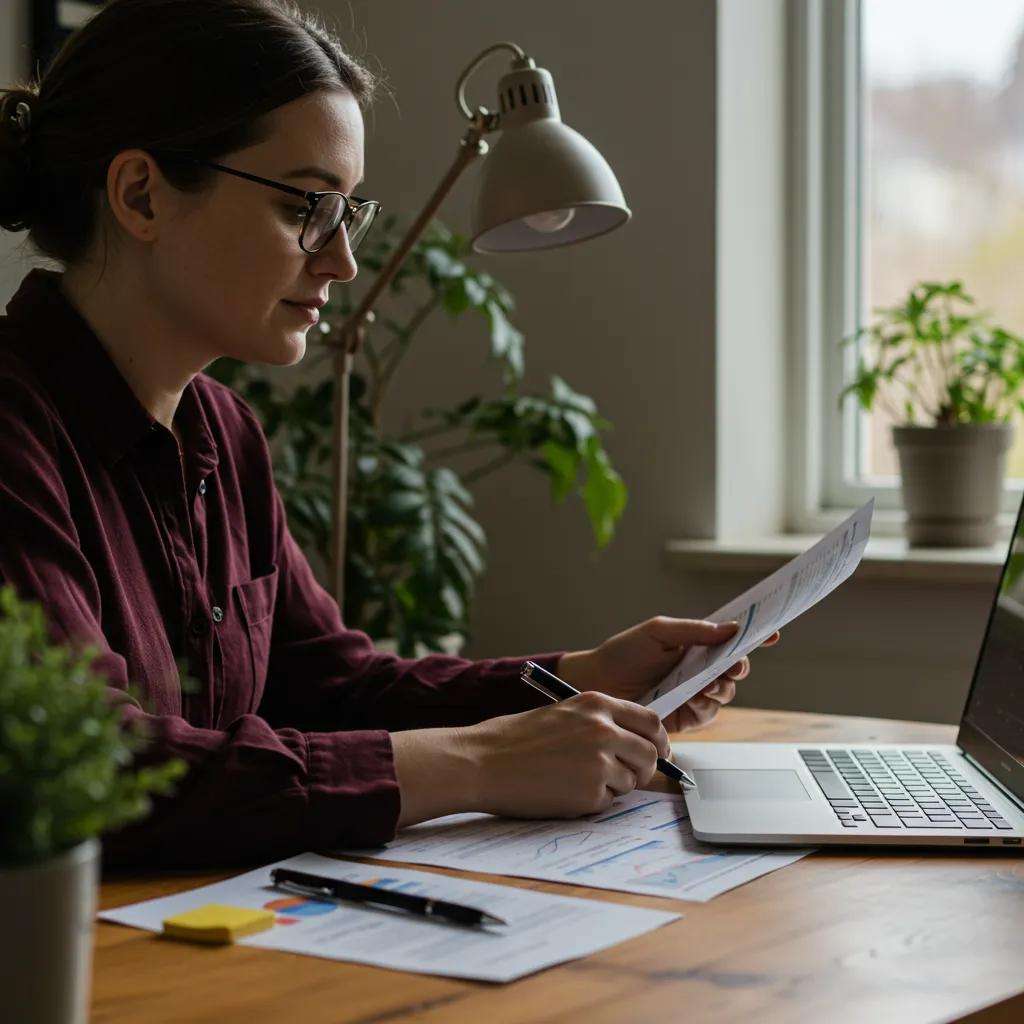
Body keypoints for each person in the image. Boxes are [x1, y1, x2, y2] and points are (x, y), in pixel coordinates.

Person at [0, 0, 776, 868]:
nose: (341, 260)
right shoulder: (12, 432)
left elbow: (329, 686)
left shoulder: (223, 431)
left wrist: (580, 676)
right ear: (141, 194)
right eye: (306, 205)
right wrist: (482, 762)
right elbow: (93, 766)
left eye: (347, 213)